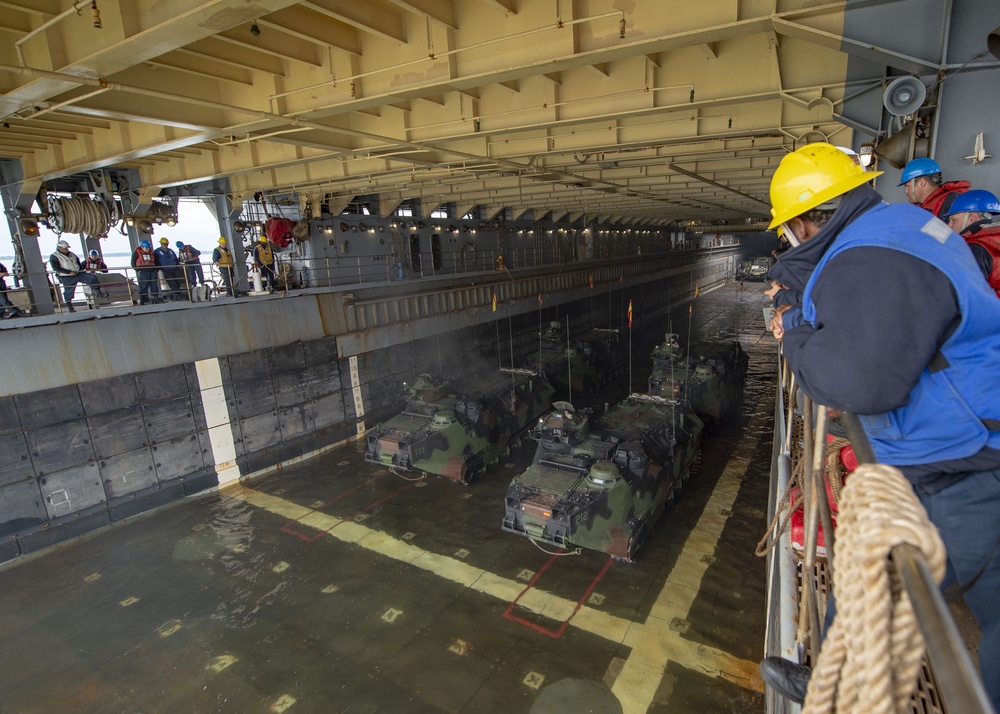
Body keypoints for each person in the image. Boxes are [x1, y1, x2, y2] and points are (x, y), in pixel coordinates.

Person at [760, 143, 1000, 709]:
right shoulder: (895, 231)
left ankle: (837, 684)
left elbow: (855, 382)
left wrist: (792, 330)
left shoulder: (871, 257)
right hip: (958, 441)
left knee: (886, 580)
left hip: (962, 463)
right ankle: (828, 677)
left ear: (802, 221)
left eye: (788, 230)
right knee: (869, 576)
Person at [940, 189, 1000, 297]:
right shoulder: (994, 238)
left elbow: (969, 296)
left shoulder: (974, 248)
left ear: (972, 219)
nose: (949, 226)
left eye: (953, 220)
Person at [898, 157, 970, 217]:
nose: (906, 191)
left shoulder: (953, 201)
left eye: (907, 186)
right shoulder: (924, 206)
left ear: (922, 183)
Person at [49, 240, 108, 312]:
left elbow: (77, 261)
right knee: (69, 291)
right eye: (65, 248)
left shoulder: (71, 254)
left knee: (92, 278)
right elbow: (56, 268)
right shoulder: (54, 256)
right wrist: (69, 272)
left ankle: (98, 293)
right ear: (59, 248)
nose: (67, 249)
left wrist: (79, 269)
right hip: (66, 276)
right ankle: (70, 307)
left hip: (77, 273)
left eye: (67, 248)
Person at [130, 240, 160, 305]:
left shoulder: (152, 253)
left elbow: (157, 261)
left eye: (149, 248)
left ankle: (155, 298)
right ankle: (143, 299)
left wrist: (156, 269)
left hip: (152, 270)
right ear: (142, 247)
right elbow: (133, 262)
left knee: (154, 285)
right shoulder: (136, 253)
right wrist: (137, 269)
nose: (148, 249)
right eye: (146, 248)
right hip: (143, 271)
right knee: (143, 285)